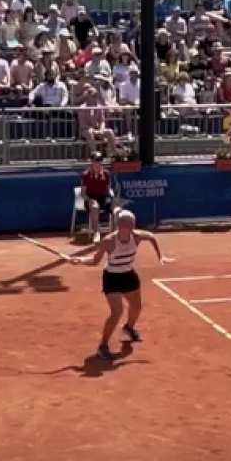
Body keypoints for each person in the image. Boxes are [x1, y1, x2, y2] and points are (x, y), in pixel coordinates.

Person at [68, 210, 172, 362]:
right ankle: (102, 346)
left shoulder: (136, 236)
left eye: (132, 224)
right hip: (112, 278)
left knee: (137, 307)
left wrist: (160, 256)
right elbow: (95, 260)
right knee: (117, 311)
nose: (131, 227)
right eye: (128, 224)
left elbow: (151, 237)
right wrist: (80, 260)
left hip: (129, 275)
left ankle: (128, 328)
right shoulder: (109, 241)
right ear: (119, 225)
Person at [80, 152, 113, 243]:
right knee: (94, 207)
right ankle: (96, 232)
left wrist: (110, 197)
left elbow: (108, 189)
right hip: (90, 199)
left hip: (103, 198)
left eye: (100, 160)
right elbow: (83, 193)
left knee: (117, 208)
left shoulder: (106, 173)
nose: (99, 163)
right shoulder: (86, 174)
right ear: (92, 161)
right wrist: (90, 200)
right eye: (97, 160)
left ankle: (115, 234)